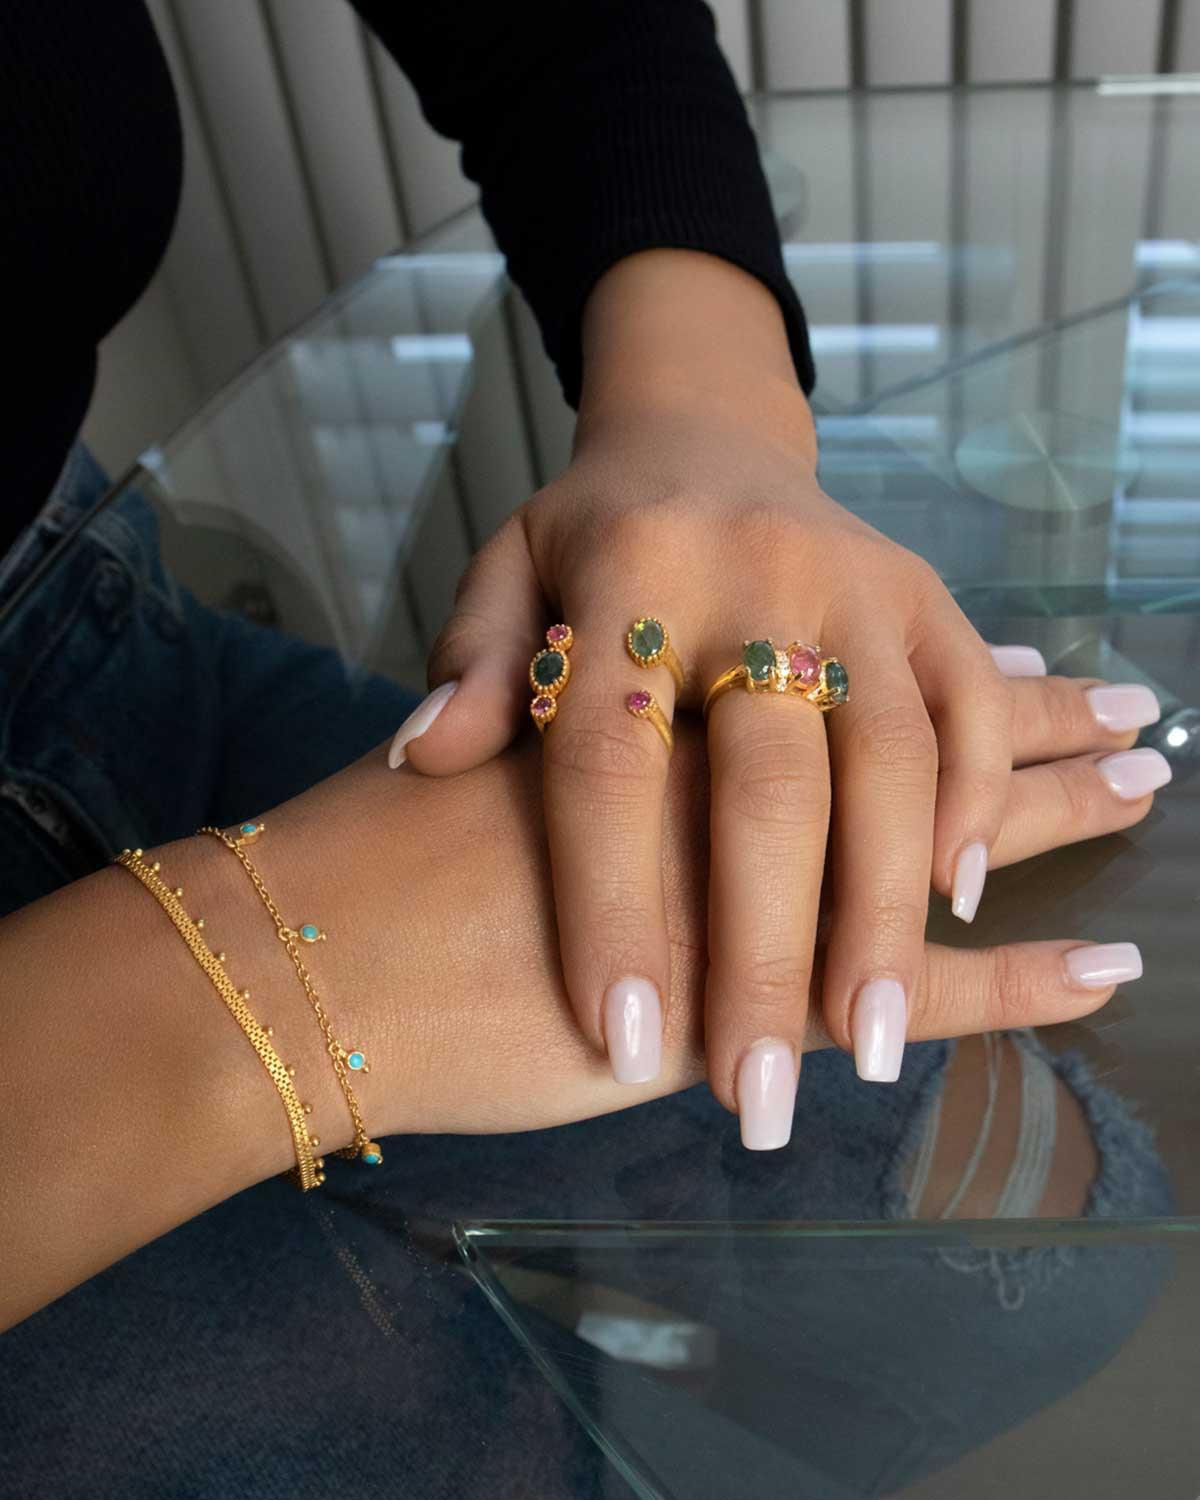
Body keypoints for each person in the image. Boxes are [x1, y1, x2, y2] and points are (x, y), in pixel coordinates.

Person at [3, 0, 1169, 1155]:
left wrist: (705, 429)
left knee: (1053, 1189)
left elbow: (562, 32)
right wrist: (287, 979)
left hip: (88, 612)